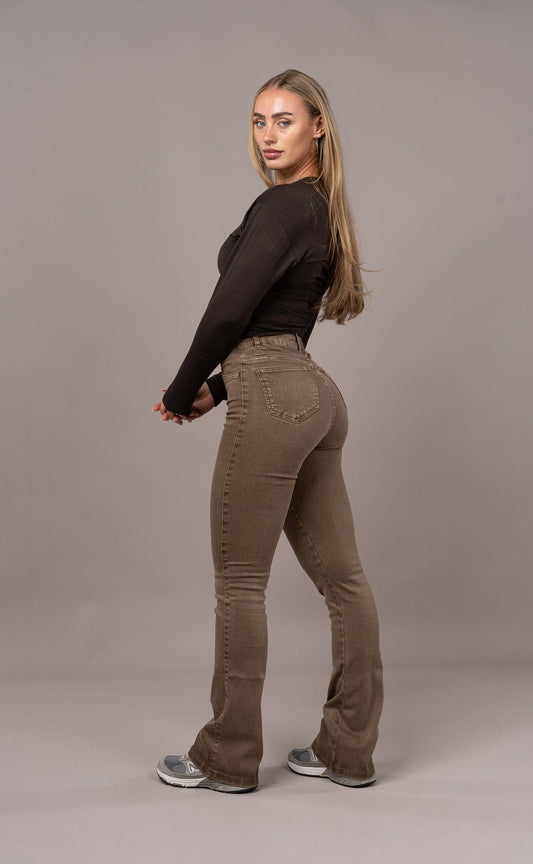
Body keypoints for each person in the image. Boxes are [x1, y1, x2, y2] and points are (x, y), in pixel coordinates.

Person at [152, 69, 384, 794]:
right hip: (311, 393)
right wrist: (218, 389)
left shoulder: (282, 206)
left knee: (241, 583)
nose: (268, 135)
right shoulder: (321, 211)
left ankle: (226, 756)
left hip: (274, 393)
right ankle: (347, 751)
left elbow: (231, 309)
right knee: (344, 581)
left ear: (318, 126)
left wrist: (183, 385)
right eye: (259, 121)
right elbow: (285, 324)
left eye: (284, 120)